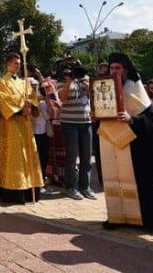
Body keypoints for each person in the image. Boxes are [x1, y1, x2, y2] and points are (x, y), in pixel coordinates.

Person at [98, 52, 153, 230]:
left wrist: (132, 119)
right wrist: (96, 115)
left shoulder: (135, 88)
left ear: (126, 69)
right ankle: (118, 217)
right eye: (112, 68)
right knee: (114, 178)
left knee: (142, 182)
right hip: (113, 140)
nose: (115, 71)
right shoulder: (105, 87)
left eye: (118, 68)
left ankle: (150, 220)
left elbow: (149, 119)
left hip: (137, 146)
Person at [0, 53, 44, 204]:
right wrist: (19, 110)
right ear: (8, 64)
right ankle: (14, 190)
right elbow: (4, 101)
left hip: (25, 123)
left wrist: (31, 105)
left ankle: (31, 187)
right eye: (15, 63)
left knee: (29, 154)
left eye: (19, 63)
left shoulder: (24, 82)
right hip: (11, 124)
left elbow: (33, 97)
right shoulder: (2, 82)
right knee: (14, 155)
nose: (17, 65)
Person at [57, 60, 97, 200]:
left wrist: (81, 78)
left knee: (86, 156)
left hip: (86, 122)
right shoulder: (61, 82)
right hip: (69, 123)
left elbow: (94, 91)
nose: (71, 71)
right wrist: (69, 80)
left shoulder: (84, 79)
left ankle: (85, 186)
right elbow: (62, 98)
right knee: (72, 156)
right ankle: (70, 186)